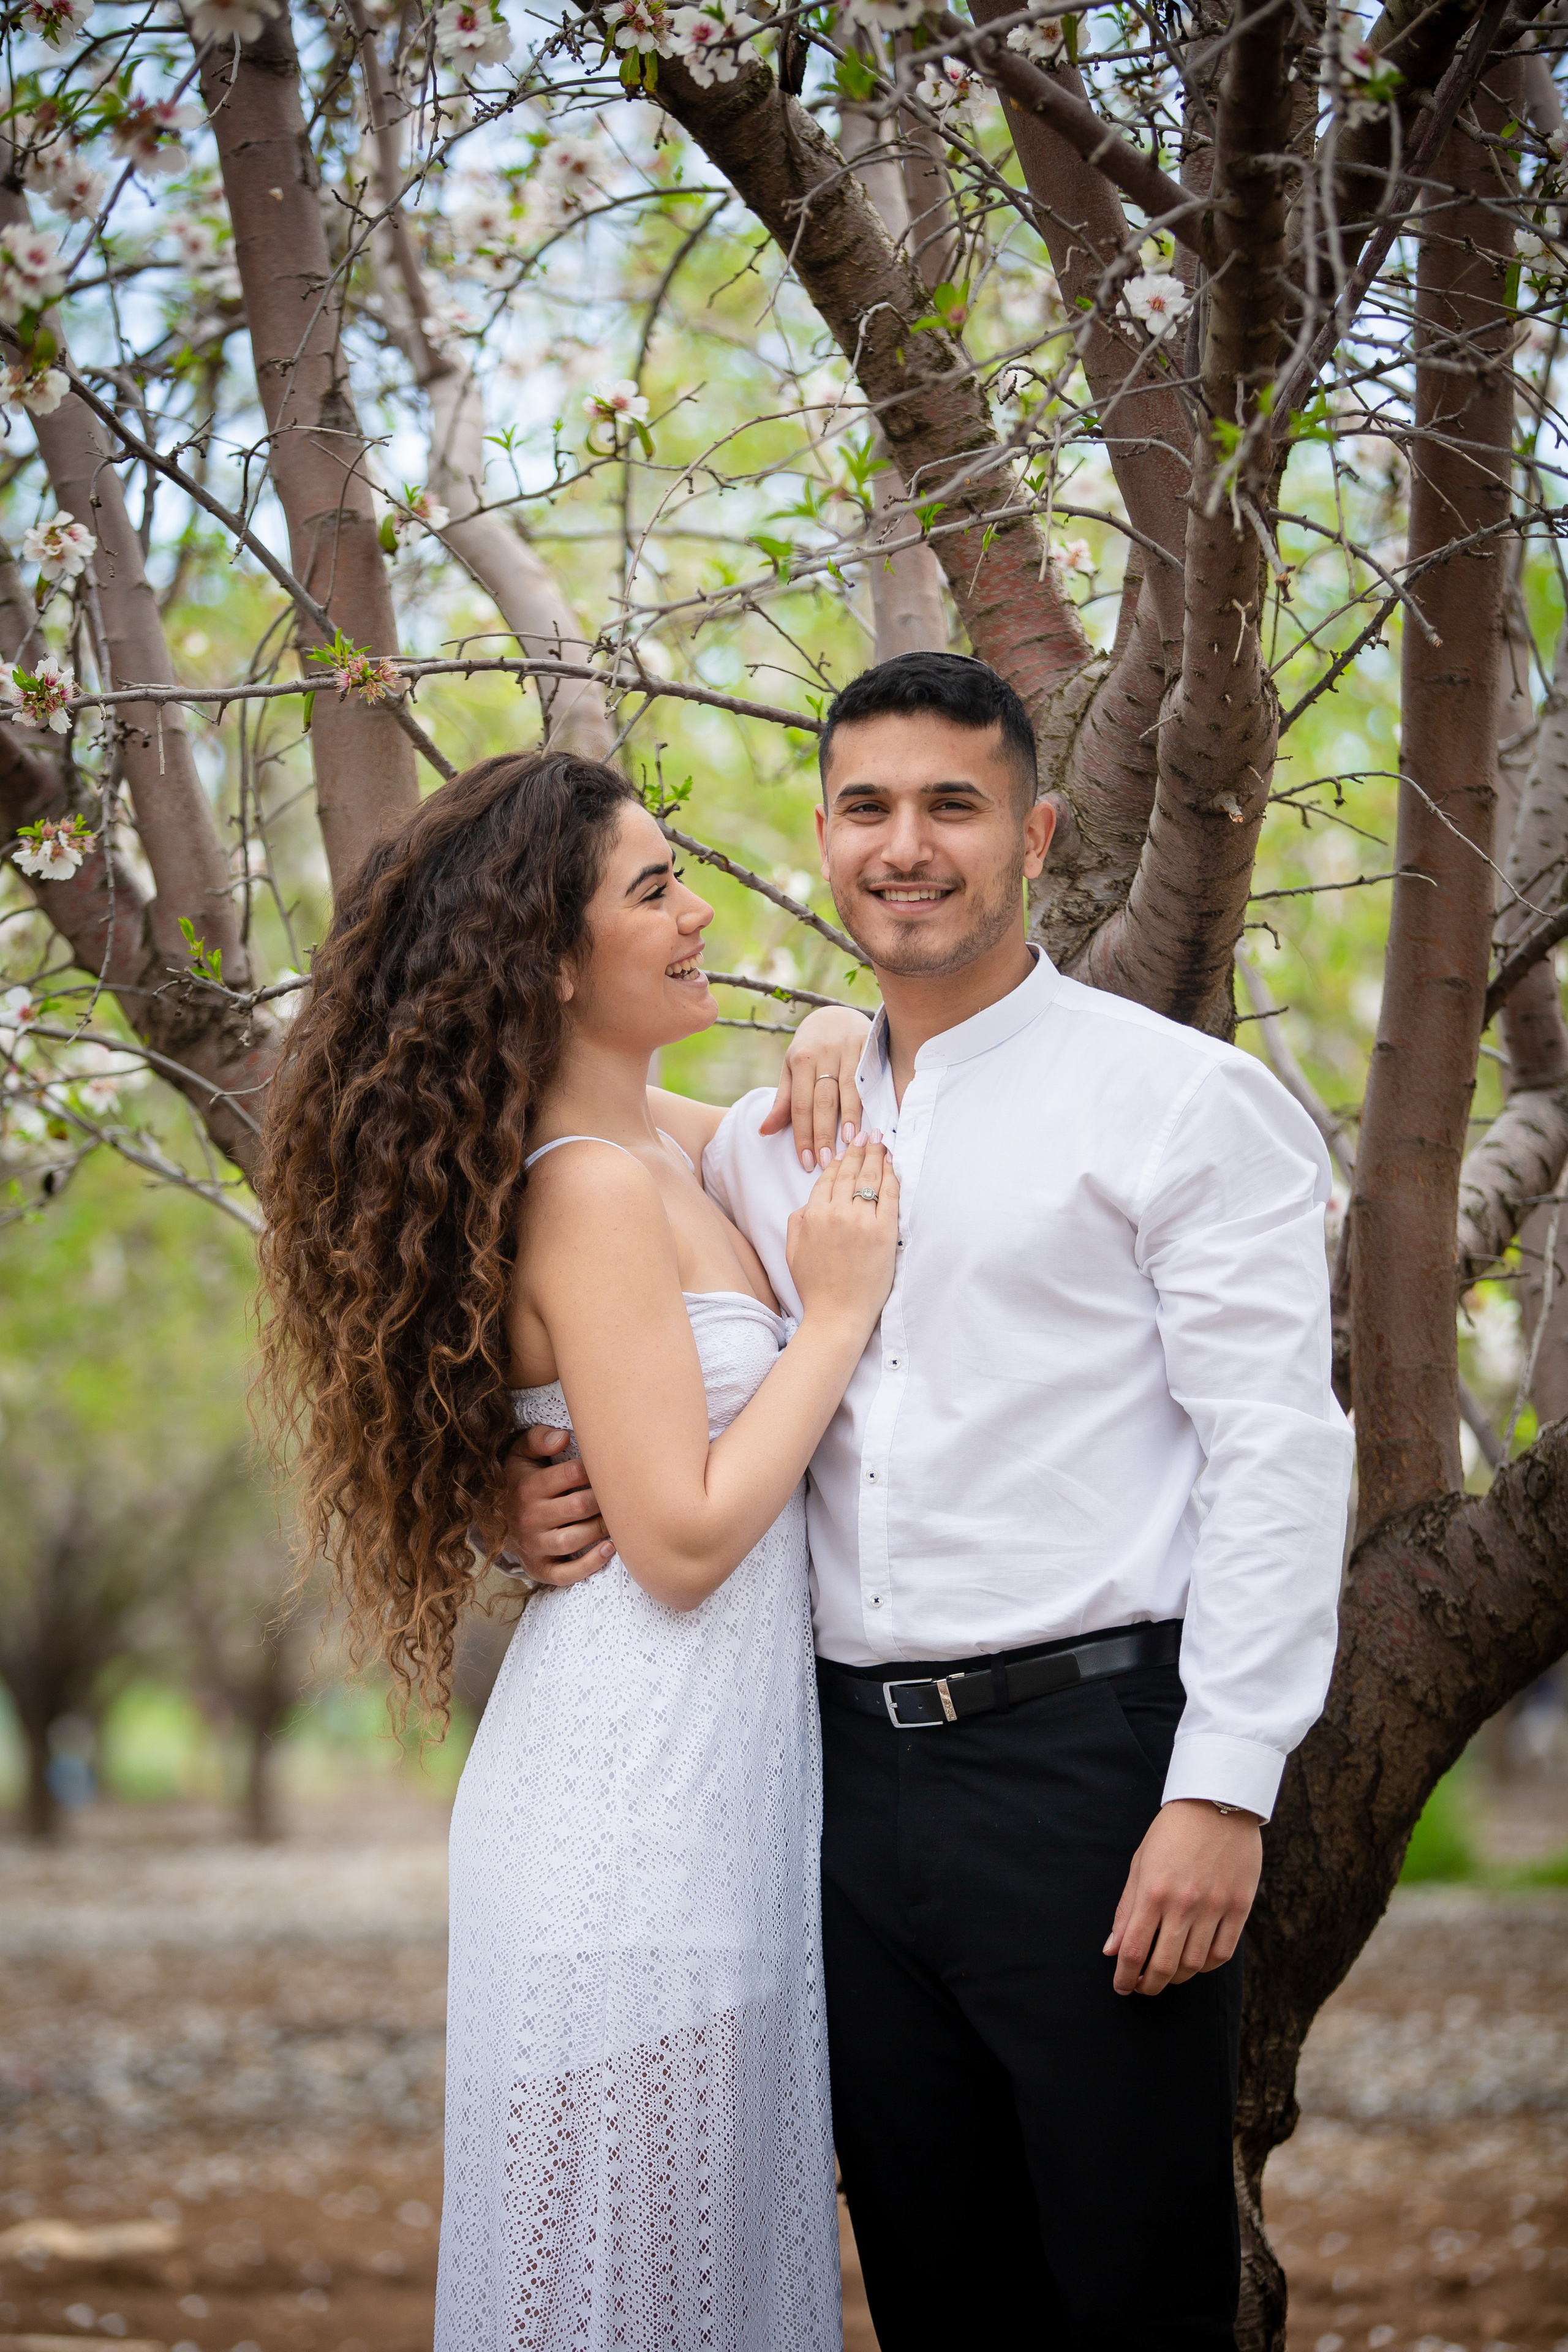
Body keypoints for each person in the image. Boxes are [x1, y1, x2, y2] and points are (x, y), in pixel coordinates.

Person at [504, 654, 1357, 2351]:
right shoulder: (761, 1139)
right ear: (823, 836)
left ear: (1034, 833)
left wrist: (1227, 1786)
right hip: (834, 1799)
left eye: (953, 807)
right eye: (871, 809)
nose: (910, 846)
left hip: (1094, 1773)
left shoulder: (1174, 1100)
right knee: (935, 2293)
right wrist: (496, 1487)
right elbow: (544, 1223)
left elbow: (1279, 1450)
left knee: (1133, 2294)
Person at [254, 749, 896, 2352]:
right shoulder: (594, 1188)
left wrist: (836, 1028)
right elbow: (677, 1540)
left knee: (694, 2293)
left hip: (702, 1809)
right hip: (634, 1833)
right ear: (550, 957)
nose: (697, 913)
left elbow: (824, 1097)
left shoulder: (657, 1141)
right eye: (654, 889)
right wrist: (834, 1321)